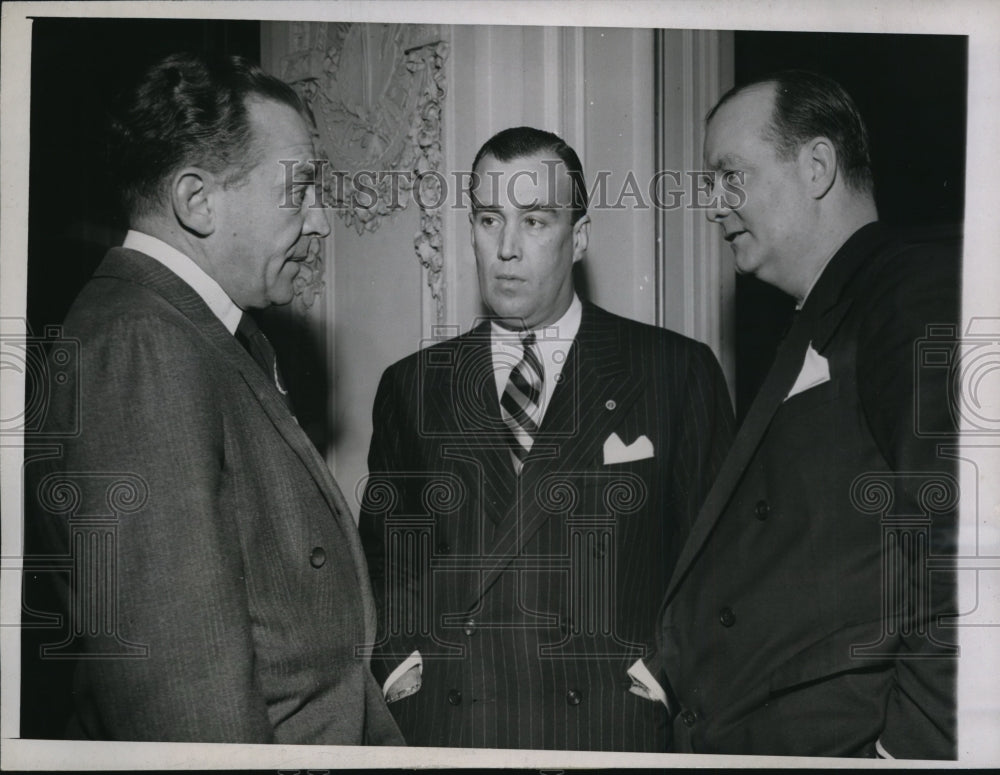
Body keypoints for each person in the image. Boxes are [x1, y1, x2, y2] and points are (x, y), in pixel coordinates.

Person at [24, 52, 403, 745]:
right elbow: (184, 703)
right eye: (299, 189)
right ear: (198, 202)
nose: (319, 222)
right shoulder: (144, 347)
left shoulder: (197, 332)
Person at [358, 126, 734, 750]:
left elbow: (719, 561)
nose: (506, 248)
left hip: (610, 729)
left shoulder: (675, 371)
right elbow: (385, 559)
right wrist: (399, 669)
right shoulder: (414, 385)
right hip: (456, 729)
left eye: (535, 221)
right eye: (488, 219)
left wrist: (668, 677)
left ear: (578, 237)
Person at [651, 70, 960, 758]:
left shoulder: (911, 292)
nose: (714, 206)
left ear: (817, 166)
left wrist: (907, 754)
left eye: (730, 175)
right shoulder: (820, 314)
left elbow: (972, 552)